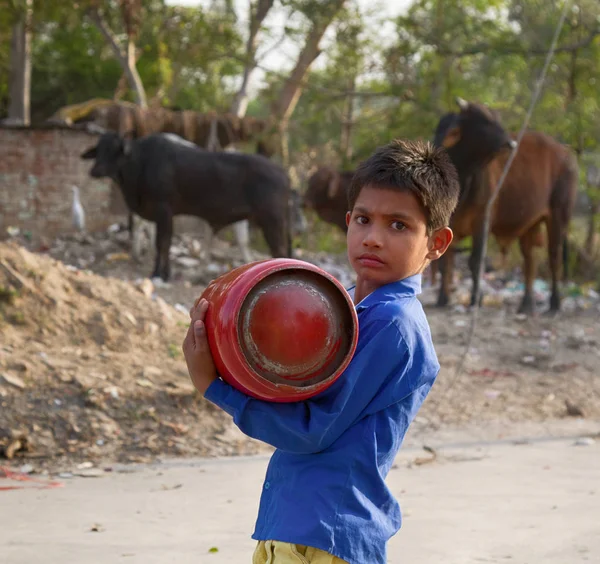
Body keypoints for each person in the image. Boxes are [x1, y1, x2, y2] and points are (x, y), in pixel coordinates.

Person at [182, 139, 460, 564]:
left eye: (399, 226)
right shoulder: (342, 308)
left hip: (326, 535)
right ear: (347, 222)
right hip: (294, 527)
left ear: (437, 243)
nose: (374, 239)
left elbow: (312, 430)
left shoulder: (394, 325)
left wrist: (214, 386)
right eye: (364, 220)